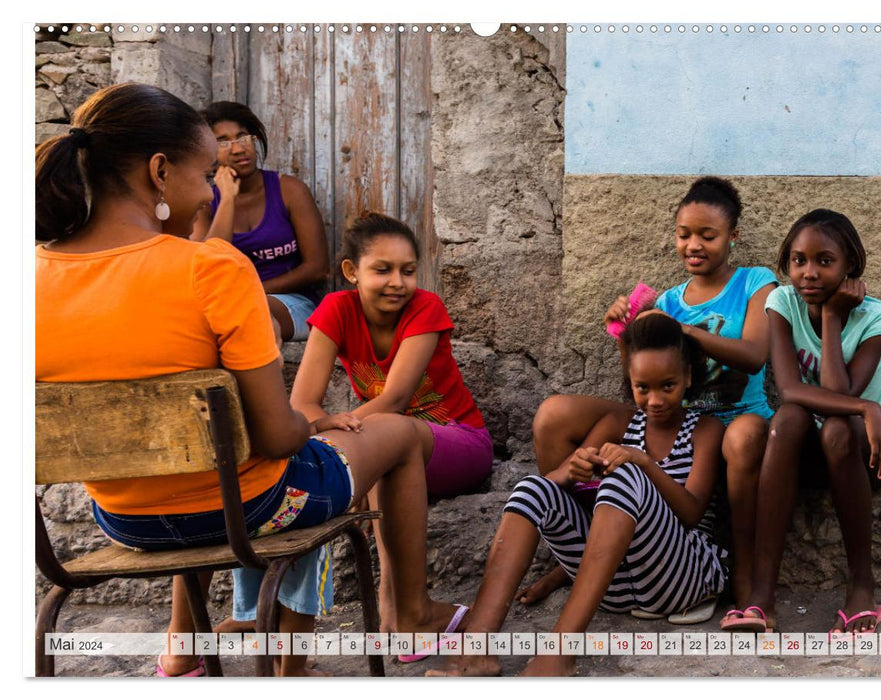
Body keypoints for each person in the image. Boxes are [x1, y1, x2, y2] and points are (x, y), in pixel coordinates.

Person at [35, 82, 465, 677]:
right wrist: (310, 423)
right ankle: (407, 618)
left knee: (199, 471)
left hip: (122, 516)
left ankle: (181, 649)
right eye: (206, 172)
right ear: (160, 171)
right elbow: (278, 439)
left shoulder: (28, 276)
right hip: (253, 508)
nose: (213, 189)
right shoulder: (211, 268)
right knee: (399, 434)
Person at [524, 177, 777, 616]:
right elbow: (643, 378)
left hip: (737, 418)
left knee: (741, 438)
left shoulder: (756, 282)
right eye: (684, 234)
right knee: (554, 414)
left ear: (733, 237)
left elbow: (756, 356)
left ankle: (743, 575)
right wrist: (624, 331)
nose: (693, 245)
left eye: (708, 235)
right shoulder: (670, 300)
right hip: (672, 413)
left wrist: (680, 328)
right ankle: (579, 551)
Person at [427, 314, 727, 676]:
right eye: (642, 387)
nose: (655, 399)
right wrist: (576, 470)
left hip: (680, 580)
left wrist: (644, 463)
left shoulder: (706, 430)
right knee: (531, 488)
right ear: (630, 383)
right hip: (617, 589)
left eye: (668, 386)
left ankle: (559, 654)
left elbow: (692, 513)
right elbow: (559, 479)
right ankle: (477, 648)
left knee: (625, 477)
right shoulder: (620, 425)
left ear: (688, 378)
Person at [238, 211, 491, 637]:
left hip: (457, 443)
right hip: (386, 440)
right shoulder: (337, 309)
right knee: (359, 447)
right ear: (352, 272)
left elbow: (394, 400)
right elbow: (303, 403)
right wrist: (337, 431)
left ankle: (393, 603)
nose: (398, 282)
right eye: (383, 269)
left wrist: (340, 432)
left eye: (408, 271)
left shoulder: (425, 308)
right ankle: (274, 616)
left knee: (386, 435)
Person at [721, 209, 881, 635]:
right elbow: (788, 389)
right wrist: (867, 408)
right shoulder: (782, 302)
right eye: (799, 260)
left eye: (825, 261)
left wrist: (834, 318)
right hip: (804, 451)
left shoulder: (878, 318)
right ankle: (762, 598)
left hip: (867, 453)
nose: (809, 273)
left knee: (838, 428)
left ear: (850, 268)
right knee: (787, 416)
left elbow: (842, 397)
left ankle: (862, 587)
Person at [191, 101, 329, 344]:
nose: (237, 149)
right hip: (226, 304)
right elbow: (206, 266)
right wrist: (227, 200)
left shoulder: (289, 190)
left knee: (247, 312)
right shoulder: (205, 202)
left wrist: (254, 290)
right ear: (209, 152)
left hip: (292, 302)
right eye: (223, 142)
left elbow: (317, 268)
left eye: (242, 137)